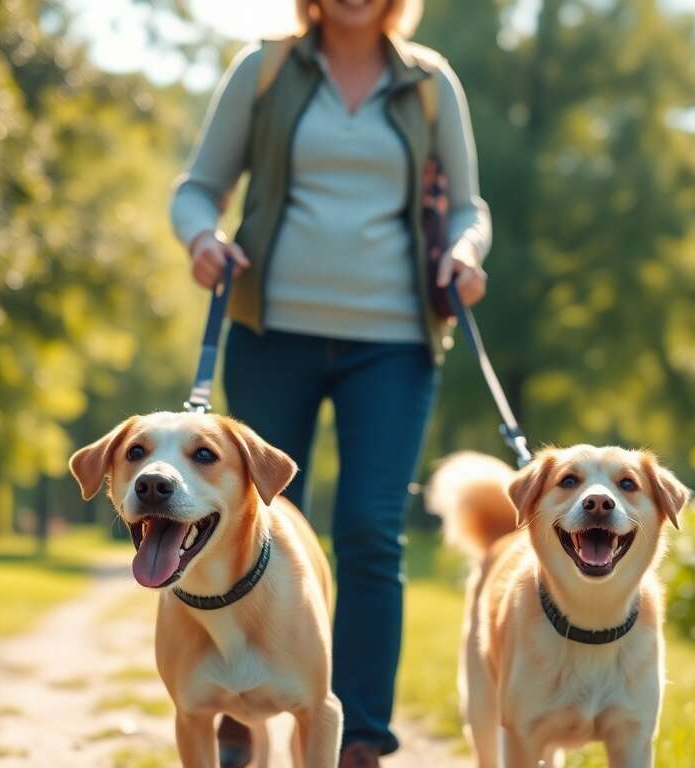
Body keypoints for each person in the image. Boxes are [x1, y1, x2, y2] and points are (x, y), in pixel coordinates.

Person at [169, 0, 490, 764]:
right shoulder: (267, 69)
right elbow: (198, 187)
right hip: (270, 332)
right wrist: (201, 237)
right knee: (262, 525)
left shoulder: (430, 83)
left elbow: (468, 208)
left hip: (394, 339)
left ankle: (360, 740)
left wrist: (466, 253)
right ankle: (242, 720)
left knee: (372, 532)